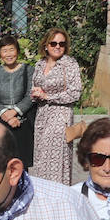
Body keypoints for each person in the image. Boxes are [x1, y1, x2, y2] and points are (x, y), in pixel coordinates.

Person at [29, 28, 83, 185]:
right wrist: (36, 93)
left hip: (61, 116)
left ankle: (58, 194)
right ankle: (42, 193)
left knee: (56, 159)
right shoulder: (40, 64)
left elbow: (75, 93)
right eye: (53, 43)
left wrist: (48, 96)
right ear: (46, 45)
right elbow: (34, 86)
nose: (57, 46)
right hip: (42, 117)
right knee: (40, 158)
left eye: (62, 44)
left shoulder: (69, 64)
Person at [0, 34, 35, 168]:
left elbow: (30, 96)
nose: (9, 54)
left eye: (11, 49)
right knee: (3, 164)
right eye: (4, 50)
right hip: (2, 124)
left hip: (22, 122)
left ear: (17, 51)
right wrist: (6, 116)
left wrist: (15, 112)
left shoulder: (28, 70)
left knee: (21, 165)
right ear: (0, 54)